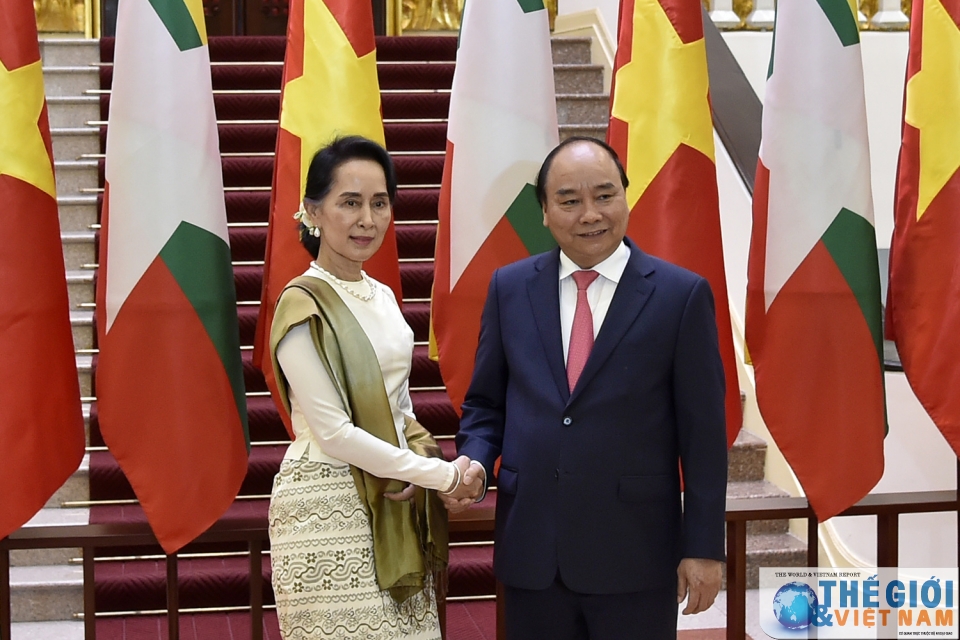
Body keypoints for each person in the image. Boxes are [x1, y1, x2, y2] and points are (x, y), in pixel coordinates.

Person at [446, 137, 728, 639]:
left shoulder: (680, 296)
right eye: (569, 200)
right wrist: (473, 457)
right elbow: (486, 404)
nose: (590, 214)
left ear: (626, 195)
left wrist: (703, 546)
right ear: (545, 212)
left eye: (604, 195)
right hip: (532, 551)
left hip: (635, 554)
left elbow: (704, 435)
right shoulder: (509, 288)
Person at [267, 136, 480, 639]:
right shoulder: (300, 304)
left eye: (379, 203)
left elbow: (400, 409)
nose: (367, 219)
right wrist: (438, 475)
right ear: (312, 212)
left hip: (393, 497)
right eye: (350, 203)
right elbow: (335, 433)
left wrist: (436, 463)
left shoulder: (382, 296)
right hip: (327, 505)